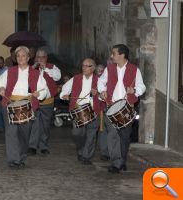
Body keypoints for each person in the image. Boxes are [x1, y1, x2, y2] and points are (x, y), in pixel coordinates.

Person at [98, 44, 146, 173]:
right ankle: (116, 163)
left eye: (113, 53)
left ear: (122, 55)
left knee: (124, 137)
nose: (111, 56)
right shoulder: (109, 68)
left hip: (127, 108)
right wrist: (102, 90)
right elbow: (101, 82)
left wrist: (134, 90)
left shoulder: (134, 70)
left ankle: (121, 161)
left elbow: (142, 87)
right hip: (111, 106)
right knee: (112, 135)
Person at [0, 46, 47, 169]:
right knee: (11, 133)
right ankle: (13, 160)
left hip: (27, 105)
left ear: (28, 58)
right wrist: (2, 88)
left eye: (23, 55)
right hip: (10, 104)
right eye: (18, 56)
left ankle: (22, 156)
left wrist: (39, 94)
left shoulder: (36, 73)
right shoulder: (9, 71)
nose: (20, 58)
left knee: (24, 134)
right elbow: (0, 82)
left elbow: (44, 89)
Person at [60, 58, 104, 165]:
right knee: (77, 133)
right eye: (83, 65)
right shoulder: (76, 78)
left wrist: (97, 94)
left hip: (93, 110)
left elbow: (103, 96)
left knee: (91, 134)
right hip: (78, 110)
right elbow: (65, 88)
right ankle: (81, 149)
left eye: (87, 66)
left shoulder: (99, 81)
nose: (84, 68)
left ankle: (86, 156)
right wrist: (64, 95)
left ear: (93, 68)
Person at [28, 48, 61, 155]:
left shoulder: (52, 67)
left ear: (46, 58)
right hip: (34, 100)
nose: (40, 59)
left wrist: (45, 68)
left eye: (42, 57)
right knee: (34, 124)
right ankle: (32, 146)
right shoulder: (31, 68)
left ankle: (43, 146)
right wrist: (31, 70)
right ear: (35, 58)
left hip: (47, 100)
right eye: (38, 57)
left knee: (45, 124)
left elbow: (57, 77)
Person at [95, 64, 110, 161]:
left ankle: (108, 151)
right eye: (98, 70)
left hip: (108, 107)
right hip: (98, 109)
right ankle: (104, 151)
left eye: (102, 70)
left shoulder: (108, 80)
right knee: (102, 130)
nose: (100, 72)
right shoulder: (95, 81)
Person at [0, 56, 8, 131]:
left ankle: (1, 126)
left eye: (0, 63)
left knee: (1, 110)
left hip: (2, 93)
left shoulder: (6, 70)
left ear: (3, 63)